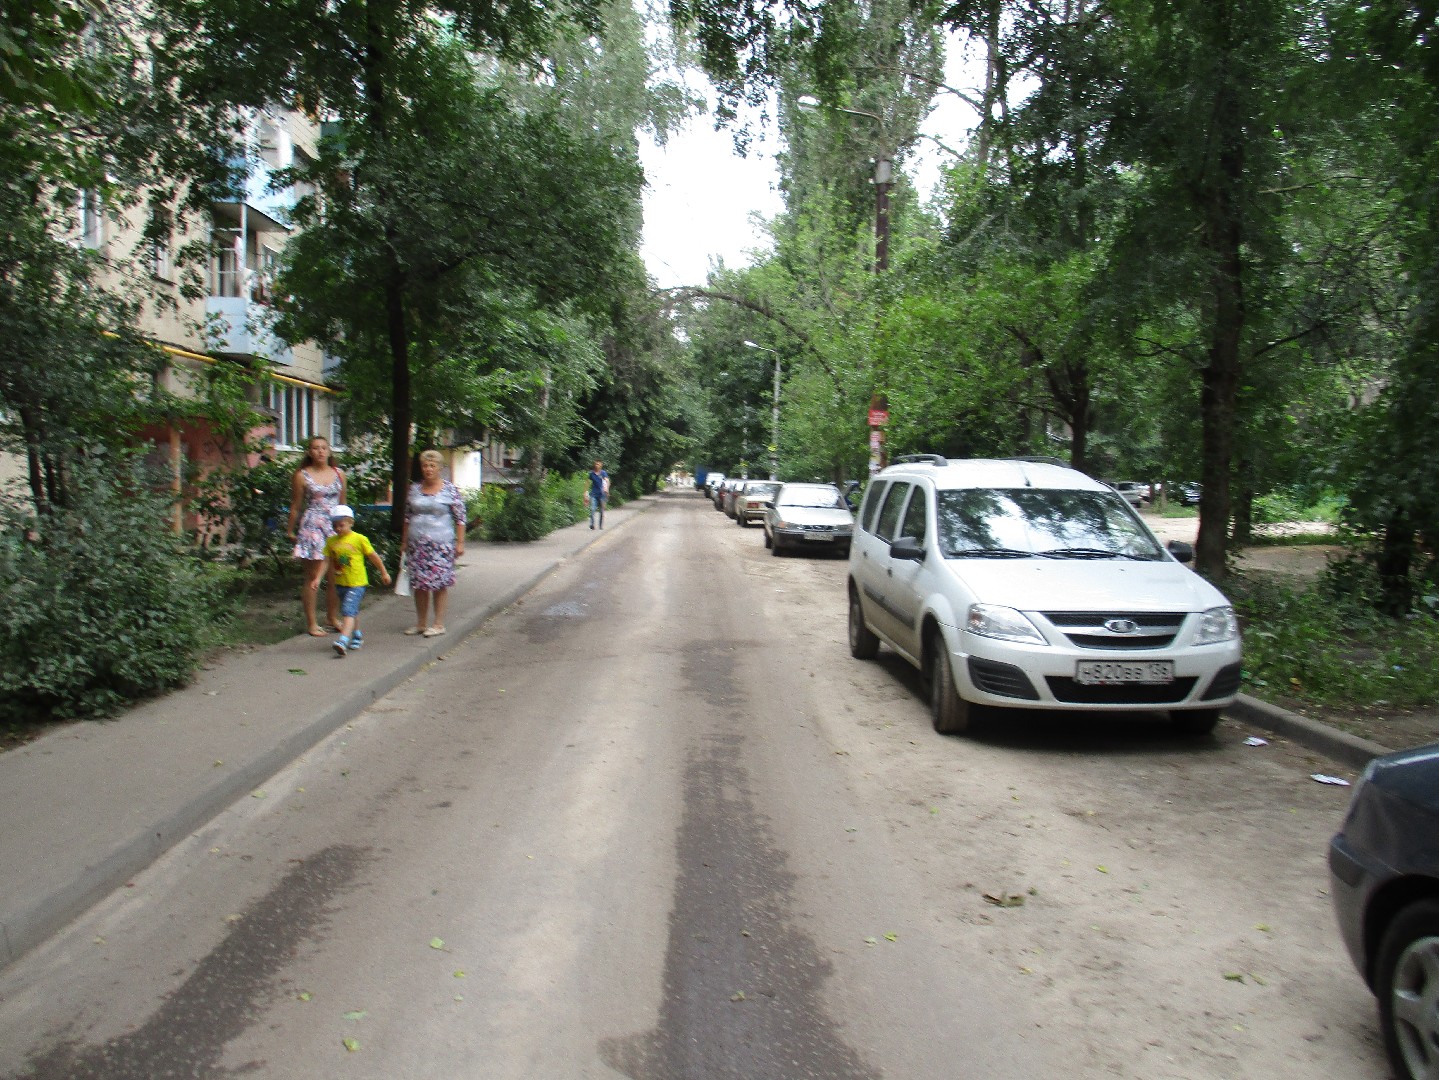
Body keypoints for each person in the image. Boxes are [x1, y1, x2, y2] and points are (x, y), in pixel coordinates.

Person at [400, 449, 467, 638]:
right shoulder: (414, 489)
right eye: (425, 465)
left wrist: (460, 543)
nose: (428, 469)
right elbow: (407, 516)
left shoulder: (450, 490)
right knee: (420, 584)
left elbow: (460, 518)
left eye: (432, 465)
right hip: (417, 545)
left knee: (439, 583)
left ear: (439, 468)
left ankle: (438, 624)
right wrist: (404, 542)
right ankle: (421, 623)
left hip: (441, 545)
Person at [287, 435, 346, 636]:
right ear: (310, 452)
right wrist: (290, 530)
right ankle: (312, 623)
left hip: (335, 528)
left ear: (329, 451)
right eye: (315, 448)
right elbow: (296, 506)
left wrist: (347, 530)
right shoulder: (302, 475)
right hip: (312, 527)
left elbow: (343, 506)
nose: (320, 451)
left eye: (323, 447)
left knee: (335, 575)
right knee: (313, 576)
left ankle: (332, 617)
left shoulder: (339, 474)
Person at [321, 505, 390, 657]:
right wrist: (317, 578)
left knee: (347, 611)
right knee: (352, 611)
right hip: (341, 583)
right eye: (335, 526)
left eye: (341, 525)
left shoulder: (359, 539)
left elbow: (373, 556)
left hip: (357, 583)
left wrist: (383, 572)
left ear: (351, 522)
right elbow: (326, 561)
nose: (338, 529)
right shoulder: (331, 541)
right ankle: (357, 635)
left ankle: (343, 640)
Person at [587, 459, 610, 529]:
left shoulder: (603, 473)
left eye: (598, 464)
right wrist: (585, 492)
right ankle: (592, 524)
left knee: (601, 511)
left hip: (602, 495)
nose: (597, 465)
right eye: (596, 464)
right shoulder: (591, 473)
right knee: (592, 509)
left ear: (601, 465)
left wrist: (607, 489)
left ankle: (600, 525)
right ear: (594, 465)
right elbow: (587, 482)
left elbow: (607, 481)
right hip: (594, 494)